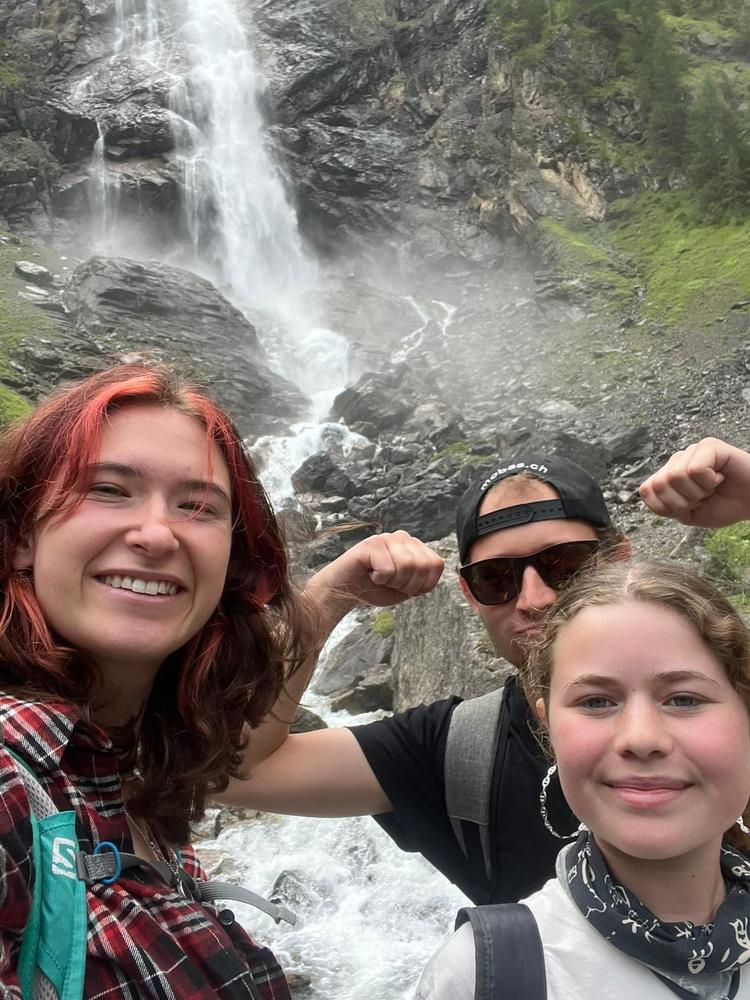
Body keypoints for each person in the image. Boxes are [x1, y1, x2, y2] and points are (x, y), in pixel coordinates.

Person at [0, 362, 311, 998]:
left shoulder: (136, 787)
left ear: (232, 560)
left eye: (198, 506)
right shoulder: (9, 778)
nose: (156, 535)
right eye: (109, 490)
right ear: (23, 535)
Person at [218, 455, 631, 904]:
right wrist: (328, 595)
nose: (534, 599)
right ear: (470, 594)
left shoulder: (700, 708)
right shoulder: (455, 752)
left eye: (567, 565)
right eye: (495, 578)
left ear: (620, 562)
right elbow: (234, 771)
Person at [417, 560, 750, 1000]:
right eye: (595, 702)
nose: (641, 738)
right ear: (548, 726)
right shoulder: (485, 973)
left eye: (684, 699)